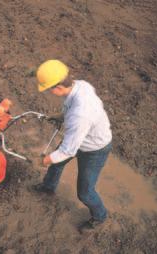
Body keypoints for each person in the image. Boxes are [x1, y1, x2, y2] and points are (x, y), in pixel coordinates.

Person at [33, 60, 112, 234]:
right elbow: (73, 118)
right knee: (57, 163)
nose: (49, 92)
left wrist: (43, 160)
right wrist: (61, 116)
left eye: (48, 89)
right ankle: (48, 187)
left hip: (94, 149)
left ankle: (100, 217)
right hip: (80, 137)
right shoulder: (80, 85)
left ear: (58, 87)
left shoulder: (80, 114)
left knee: (85, 192)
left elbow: (68, 150)